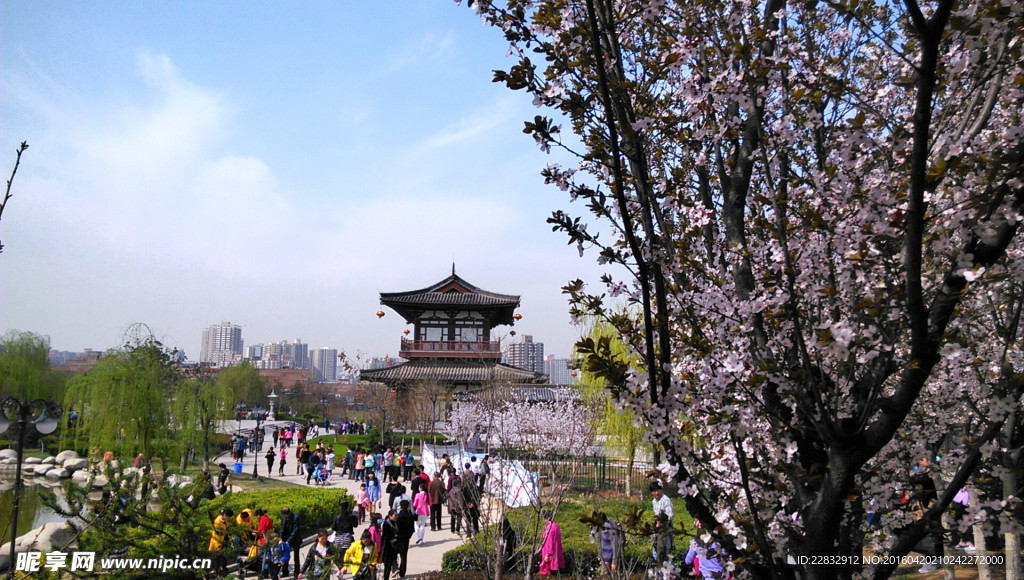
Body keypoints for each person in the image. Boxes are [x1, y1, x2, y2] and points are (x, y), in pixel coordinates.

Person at [650, 481, 674, 563]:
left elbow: (670, 515)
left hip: (665, 526)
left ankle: (664, 564)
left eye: (658, 490)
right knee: (655, 545)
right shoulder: (654, 501)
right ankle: (658, 564)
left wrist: (662, 521)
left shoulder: (666, 500)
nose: (656, 493)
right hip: (657, 526)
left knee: (663, 547)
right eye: (654, 491)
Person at [538, 511, 565, 575]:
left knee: (548, 572)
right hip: (556, 551)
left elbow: (549, 542)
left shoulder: (549, 528)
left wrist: (547, 555)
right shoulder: (556, 526)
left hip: (549, 553)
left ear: (547, 518)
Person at [278, 507, 302, 577]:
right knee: (285, 555)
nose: (283, 516)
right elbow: (282, 528)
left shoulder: (295, 517)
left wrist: (289, 541)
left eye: (285, 515)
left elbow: (295, 530)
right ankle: (285, 572)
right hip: (286, 538)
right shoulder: (283, 517)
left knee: (296, 557)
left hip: (295, 539)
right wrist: (281, 539)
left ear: (288, 513)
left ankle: (296, 572)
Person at [209, 508, 233, 576]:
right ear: (224, 515)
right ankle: (216, 571)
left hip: (223, 539)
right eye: (228, 516)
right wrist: (219, 544)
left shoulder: (224, 520)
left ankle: (223, 568)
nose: (228, 518)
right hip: (217, 541)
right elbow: (218, 533)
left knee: (224, 556)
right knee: (217, 557)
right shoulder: (217, 522)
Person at [395, 500, 416, 577]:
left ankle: (395, 568)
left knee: (394, 554)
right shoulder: (410, 515)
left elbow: (396, 527)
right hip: (406, 538)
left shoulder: (399, 516)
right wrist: (409, 535)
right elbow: (412, 528)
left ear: (400, 507)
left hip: (399, 537)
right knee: (404, 556)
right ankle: (402, 572)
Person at [380, 509, 400, 580]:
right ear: (390, 516)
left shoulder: (395, 523)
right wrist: (396, 538)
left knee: (393, 562)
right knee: (387, 566)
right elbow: (388, 537)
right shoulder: (386, 524)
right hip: (387, 548)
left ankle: (394, 571)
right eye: (395, 515)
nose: (396, 517)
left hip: (393, 548)